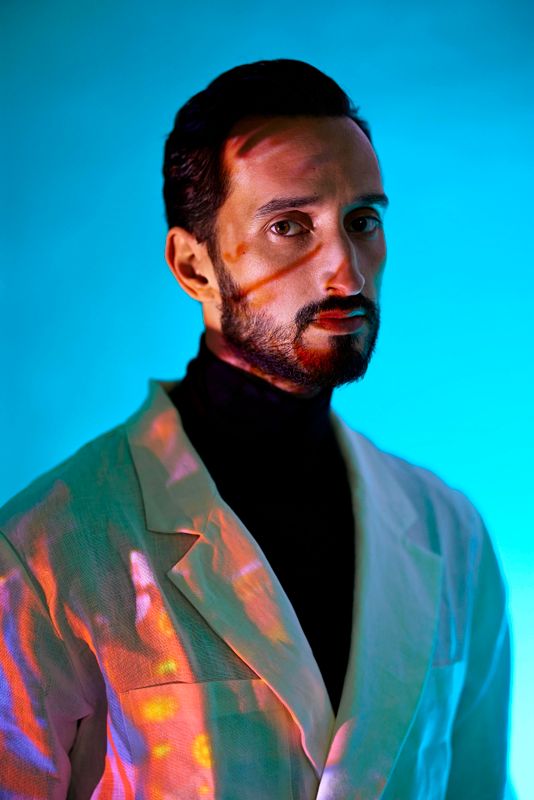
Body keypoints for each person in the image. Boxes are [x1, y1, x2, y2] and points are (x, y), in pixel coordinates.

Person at [0, 59, 512, 799]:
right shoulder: (43, 558)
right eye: (288, 227)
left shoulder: (450, 533)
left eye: (362, 221)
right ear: (194, 267)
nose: (346, 274)